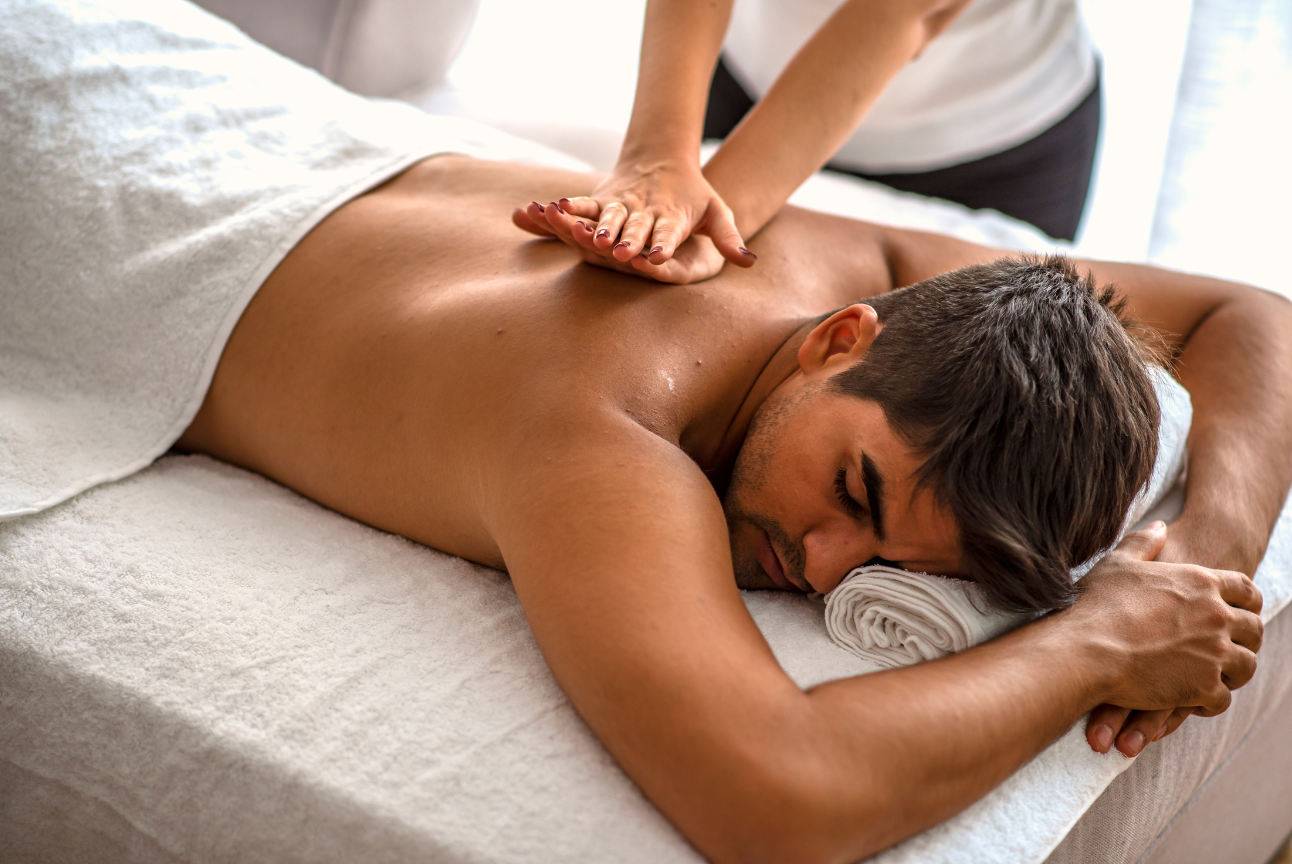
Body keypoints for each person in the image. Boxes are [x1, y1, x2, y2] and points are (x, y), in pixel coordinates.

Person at [174, 150, 1292, 862]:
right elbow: (779, 799)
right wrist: (1103, 641)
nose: (822, 567)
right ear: (840, 339)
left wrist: (1201, 561)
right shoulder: (604, 426)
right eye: (852, 490)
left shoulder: (874, 279)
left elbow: (1254, 317)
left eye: (890, 567)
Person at [535, 0, 1100, 287]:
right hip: (750, 73)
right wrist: (655, 158)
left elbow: (906, 11)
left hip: (999, 143)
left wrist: (711, 223)